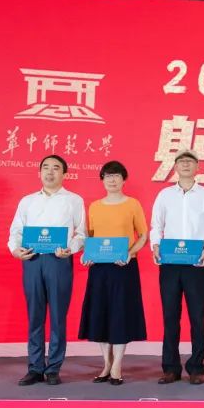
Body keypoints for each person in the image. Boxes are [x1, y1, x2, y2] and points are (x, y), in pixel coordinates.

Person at [7, 155, 86, 386]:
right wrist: (15, 250)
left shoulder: (74, 200)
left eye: (56, 168)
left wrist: (70, 249)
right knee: (35, 315)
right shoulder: (27, 201)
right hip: (32, 259)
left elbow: (82, 234)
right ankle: (35, 367)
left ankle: (53, 369)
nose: (50, 172)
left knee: (58, 316)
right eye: (46, 168)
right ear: (39, 173)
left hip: (58, 261)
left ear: (65, 174)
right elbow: (16, 231)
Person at [149, 150, 204, 386]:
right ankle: (170, 368)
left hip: (196, 262)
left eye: (190, 161)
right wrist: (155, 245)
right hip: (169, 263)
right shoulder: (165, 194)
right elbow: (156, 224)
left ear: (198, 167)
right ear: (176, 167)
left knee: (197, 317)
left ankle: (196, 368)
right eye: (181, 161)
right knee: (170, 316)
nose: (186, 164)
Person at [77, 160, 148, 385]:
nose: (112, 180)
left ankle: (117, 364)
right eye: (108, 176)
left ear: (124, 179)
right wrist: (87, 255)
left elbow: (143, 236)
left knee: (120, 315)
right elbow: (90, 237)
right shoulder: (94, 206)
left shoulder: (133, 204)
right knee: (101, 314)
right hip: (99, 268)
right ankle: (106, 364)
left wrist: (130, 253)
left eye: (116, 175)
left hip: (123, 267)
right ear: (102, 180)